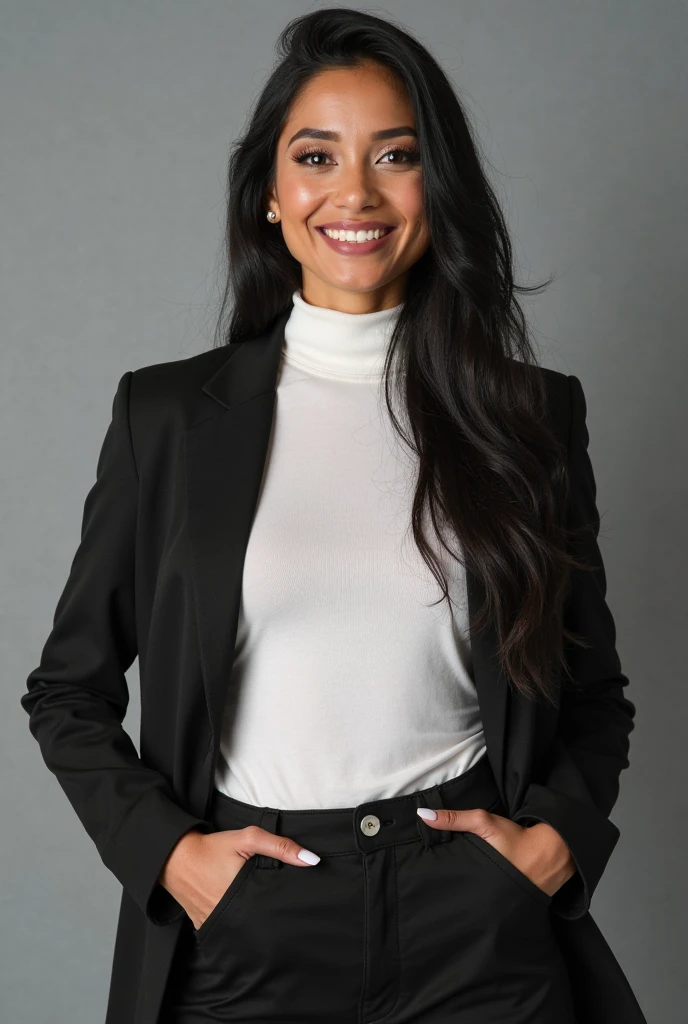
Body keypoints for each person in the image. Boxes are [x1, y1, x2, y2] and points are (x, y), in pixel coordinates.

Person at [21, 8, 647, 1024]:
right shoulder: (168, 417)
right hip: (251, 922)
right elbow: (68, 690)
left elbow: (594, 692)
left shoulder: (528, 417)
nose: (355, 192)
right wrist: (168, 854)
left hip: (475, 925)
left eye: (396, 155)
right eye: (316, 157)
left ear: (436, 187)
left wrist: (551, 846)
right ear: (270, 194)